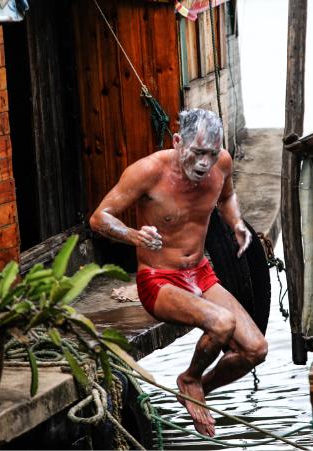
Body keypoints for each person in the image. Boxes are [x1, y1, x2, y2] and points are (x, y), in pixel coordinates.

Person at [89, 108, 268, 437]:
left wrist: (236, 223)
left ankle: (197, 388)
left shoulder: (222, 164)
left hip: (200, 273)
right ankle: (189, 378)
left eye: (211, 154)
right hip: (158, 279)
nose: (204, 163)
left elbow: (227, 197)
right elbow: (100, 218)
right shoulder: (148, 171)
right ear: (177, 142)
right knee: (222, 323)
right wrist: (134, 236)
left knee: (256, 350)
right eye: (197, 153)